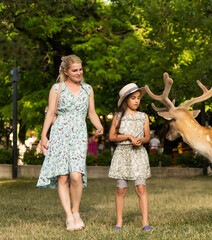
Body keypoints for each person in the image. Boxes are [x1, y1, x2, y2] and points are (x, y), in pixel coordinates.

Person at [36, 55, 104, 231]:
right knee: (63, 176)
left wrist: (99, 125)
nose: (79, 73)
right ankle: (69, 216)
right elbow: (51, 113)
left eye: (80, 69)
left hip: (79, 135)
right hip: (59, 134)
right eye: (75, 70)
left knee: (76, 175)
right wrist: (44, 136)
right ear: (66, 71)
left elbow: (92, 113)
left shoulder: (88, 89)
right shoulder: (56, 88)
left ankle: (76, 211)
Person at [108, 83, 152, 231]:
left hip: (138, 154)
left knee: (141, 187)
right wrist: (128, 136)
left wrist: (141, 140)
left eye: (138, 98)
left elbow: (147, 137)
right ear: (126, 99)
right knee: (121, 190)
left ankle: (145, 223)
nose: (136, 101)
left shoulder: (143, 117)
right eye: (133, 98)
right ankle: (119, 222)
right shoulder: (118, 116)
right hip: (122, 154)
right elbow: (112, 137)